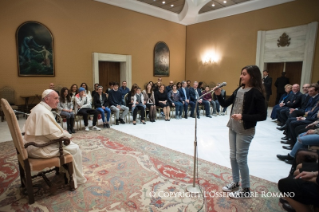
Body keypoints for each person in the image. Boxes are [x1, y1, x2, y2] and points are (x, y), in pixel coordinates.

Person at [214, 65, 267, 199]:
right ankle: (235, 182)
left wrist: (243, 116)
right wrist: (219, 95)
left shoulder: (256, 93)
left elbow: (263, 115)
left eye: (244, 74)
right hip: (233, 127)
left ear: (252, 76)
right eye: (241, 73)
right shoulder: (239, 89)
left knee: (241, 159)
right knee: (233, 156)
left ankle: (246, 189)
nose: (241, 76)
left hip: (245, 129)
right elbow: (225, 104)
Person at [22, 89, 87, 188]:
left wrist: (61, 132)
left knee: (70, 144)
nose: (58, 101)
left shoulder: (39, 108)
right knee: (75, 148)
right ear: (47, 99)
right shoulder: (43, 112)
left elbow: (48, 130)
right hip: (38, 148)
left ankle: (64, 171)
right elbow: (54, 135)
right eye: (56, 98)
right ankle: (76, 178)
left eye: (58, 98)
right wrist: (65, 134)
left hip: (32, 144)